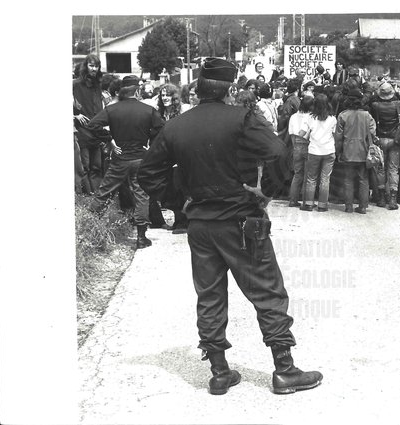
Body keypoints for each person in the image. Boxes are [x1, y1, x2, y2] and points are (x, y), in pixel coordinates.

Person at [137, 58, 322, 396]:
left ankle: (219, 371)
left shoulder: (176, 125)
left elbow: (148, 174)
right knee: (267, 291)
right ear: (230, 89)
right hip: (241, 220)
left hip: (201, 224)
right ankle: (284, 369)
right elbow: (279, 152)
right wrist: (268, 192)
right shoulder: (243, 118)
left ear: (199, 88)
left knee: (209, 295)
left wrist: (180, 201)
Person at [87, 75, 165, 249]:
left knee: (104, 191)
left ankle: (89, 227)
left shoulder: (112, 109)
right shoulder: (148, 110)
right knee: (141, 195)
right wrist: (149, 142)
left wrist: (109, 139)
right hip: (139, 157)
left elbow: (92, 125)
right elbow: (161, 128)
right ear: (137, 91)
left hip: (120, 158)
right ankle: (141, 237)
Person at [335, 89, 377, 214]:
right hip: (364, 151)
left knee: (348, 179)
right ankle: (363, 207)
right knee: (363, 179)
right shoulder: (367, 115)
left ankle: (348, 206)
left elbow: (338, 137)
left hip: (348, 151)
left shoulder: (343, 115)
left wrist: (338, 152)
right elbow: (373, 133)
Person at [73, 53, 109, 194]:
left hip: (97, 129)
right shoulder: (75, 84)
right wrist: (75, 114)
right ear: (86, 66)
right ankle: (87, 193)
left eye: (96, 66)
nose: (94, 69)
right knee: (85, 165)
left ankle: (96, 192)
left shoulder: (98, 84)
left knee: (97, 165)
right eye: (91, 65)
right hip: (83, 130)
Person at [297, 94, 337, 212]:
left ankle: (309, 204)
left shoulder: (310, 118)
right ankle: (322, 205)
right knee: (325, 179)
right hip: (329, 150)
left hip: (314, 150)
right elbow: (335, 135)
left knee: (311, 178)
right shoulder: (332, 119)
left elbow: (301, 133)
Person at [370, 82, 400, 209]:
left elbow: (369, 101)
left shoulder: (375, 105)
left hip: (380, 139)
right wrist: (397, 92)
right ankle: (393, 198)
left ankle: (382, 197)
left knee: (380, 169)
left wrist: (376, 94)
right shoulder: (397, 105)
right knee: (394, 169)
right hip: (394, 139)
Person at [287, 96, 314, 208]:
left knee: (297, 174)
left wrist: (295, 147)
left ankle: (293, 200)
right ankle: (305, 201)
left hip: (297, 145)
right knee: (308, 175)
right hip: (308, 145)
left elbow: (292, 134)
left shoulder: (293, 117)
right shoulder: (312, 117)